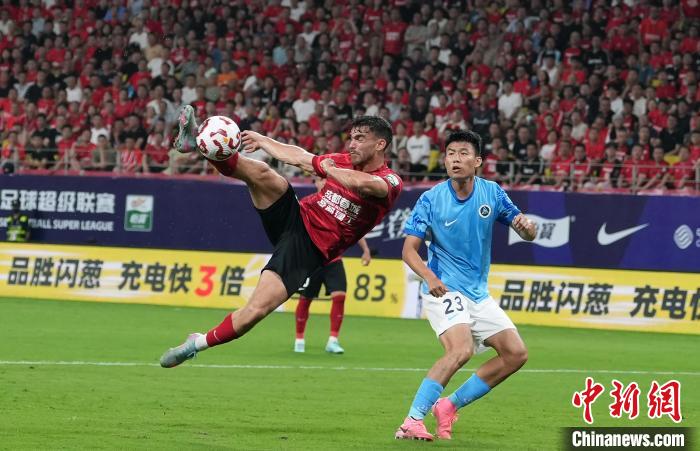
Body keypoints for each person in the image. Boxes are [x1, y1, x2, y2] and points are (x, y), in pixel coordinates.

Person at [159, 106, 402, 368]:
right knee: (261, 173)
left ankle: (196, 343)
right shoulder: (340, 161)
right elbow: (300, 157)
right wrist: (264, 141)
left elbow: (364, 184)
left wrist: (327, 169)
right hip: (296, 215)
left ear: (380, 144)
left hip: (308, 249)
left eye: (360, 138)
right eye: (351, 138)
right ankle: (197, 140)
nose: (352, 144)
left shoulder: (390, 181)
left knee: (254, 312)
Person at [394, 130, 536, 441]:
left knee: (515, 354)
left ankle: (449, 406)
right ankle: (411, 421)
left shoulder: (492, 193)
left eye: (463, 153)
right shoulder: (431, 199)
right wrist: (430, 277)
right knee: (461, 349)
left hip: (477, 293)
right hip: (443, 288)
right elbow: (408, 251)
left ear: (478, 161)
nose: (455, 159)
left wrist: (528, 228)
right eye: (450, 154)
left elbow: (527, 231)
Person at [294, 176, 372, 355]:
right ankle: (299, 339)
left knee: (340, 297)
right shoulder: (308, 204)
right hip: (312, 261)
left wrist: (366, 250)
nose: (323, 183)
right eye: (319, 180)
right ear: (315, 183)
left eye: (326, 180)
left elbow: (355, 229)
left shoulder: (340, 205)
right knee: (305, 299)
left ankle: (333, 340)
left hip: (333, 260)